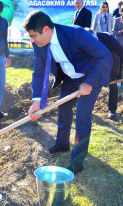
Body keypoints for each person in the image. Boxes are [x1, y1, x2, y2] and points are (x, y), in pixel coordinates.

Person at [23, 10, 113, 175]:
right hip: (71, 78)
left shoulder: (76, 34)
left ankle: (77, 162)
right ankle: (62, 143)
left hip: (90, 76)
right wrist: (36, 100)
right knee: (63, 109)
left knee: (82, 116)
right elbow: (38, 72)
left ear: (46, 30)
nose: (32, 40)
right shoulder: (39, 44)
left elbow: (106, 57)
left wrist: (89, 83)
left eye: (34, 35)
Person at [86, 28, 123, 119]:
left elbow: (121, 53)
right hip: (94, 64)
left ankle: (112, 110)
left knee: (112, 84)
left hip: (112, 62)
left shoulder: (108, 38)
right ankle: (87, 108)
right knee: (91, 84)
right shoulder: (82, 42)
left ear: (96, 36)